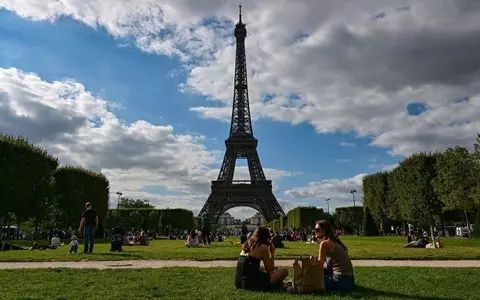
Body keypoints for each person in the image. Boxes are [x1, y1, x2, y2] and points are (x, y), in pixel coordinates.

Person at [234, 226, 288, 291]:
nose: (270, 239)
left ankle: (279, 284)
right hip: (252, 283)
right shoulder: (263, 247)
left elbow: (250, 266)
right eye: (269, 237)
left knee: (270, 269)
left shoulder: (247, 244)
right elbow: (270, 270)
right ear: (265, 237)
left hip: (239, 282)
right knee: (284, 271)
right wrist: (272, 253)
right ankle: (277, 284)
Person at [313, 220, 355, 292]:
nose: (315, 232)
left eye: (317, 230)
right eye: (314, 230)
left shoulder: (325, 243)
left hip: (340, 280)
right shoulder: (334, 241)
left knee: (311, 279)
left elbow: (319, 265)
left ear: (324, 230)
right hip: (349, 281)